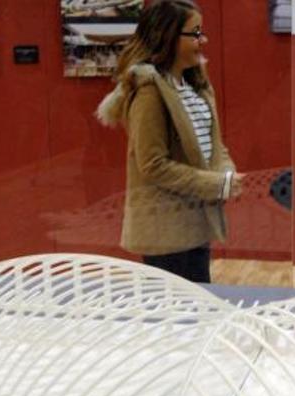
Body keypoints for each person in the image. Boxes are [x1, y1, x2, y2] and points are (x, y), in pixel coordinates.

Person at [96, 0, 243, 283]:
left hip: (196, 223)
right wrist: (215, 184)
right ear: (168, 36)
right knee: (178, 320)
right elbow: (152, 164)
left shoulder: (193, 83)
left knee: (200, 311)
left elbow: (213, 144)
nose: (204, 40)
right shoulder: (150, 90)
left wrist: (226, 172)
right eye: (196, 33)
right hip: (166, 228)